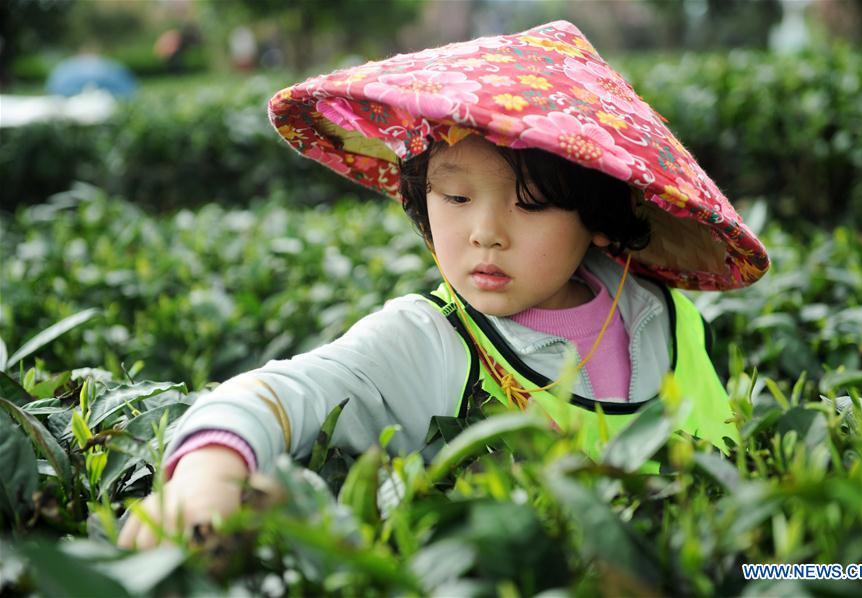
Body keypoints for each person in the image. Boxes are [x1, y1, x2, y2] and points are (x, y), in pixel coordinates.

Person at [118, 20, 769, 549]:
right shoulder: (425, 340)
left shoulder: (666, 318)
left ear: (598, 220)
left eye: (531, 203)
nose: (485, 233)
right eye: (455, 197)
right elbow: (281, 393)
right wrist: (206, 475)